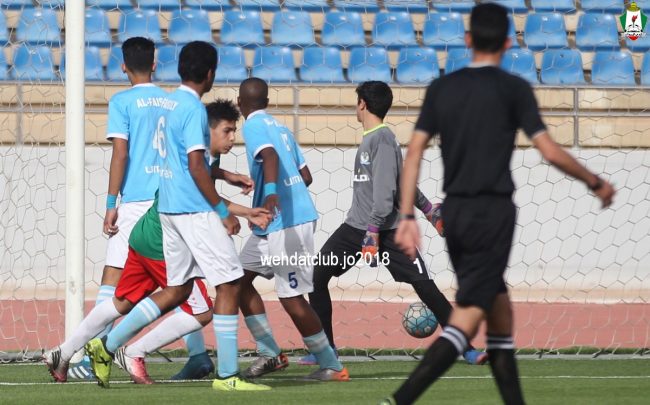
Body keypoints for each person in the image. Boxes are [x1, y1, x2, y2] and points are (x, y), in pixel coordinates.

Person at [381, 4, 615, 405]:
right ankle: (399, 400)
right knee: (468, 318)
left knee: (500, 314)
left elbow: (414, 151)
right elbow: (548, 150)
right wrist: (594, 181)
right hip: (493, 215)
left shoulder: (442, 88)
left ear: (468, 40)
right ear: (508, 43)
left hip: (455, 215)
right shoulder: (514, 88)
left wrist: (406, 215)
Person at [86, 42, 271, 392]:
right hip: (191, 210)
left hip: (167, 209)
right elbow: (196, 165)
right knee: (230, 284)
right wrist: (222, 211)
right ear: (210, 74)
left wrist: (225, 177)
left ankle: (106, 345)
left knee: (177, 290)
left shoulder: (170, 105)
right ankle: (228, 376)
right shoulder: (194, 110)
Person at [42, 37, 209, 381]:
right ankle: (191, 354)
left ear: (122, 66)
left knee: (118, 284)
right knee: (181, 286)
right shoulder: (172, 100)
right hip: (167, 202)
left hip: (134, 203)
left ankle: (86, 354)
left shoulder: (121, 101)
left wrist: (110, 203)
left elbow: (121, 152)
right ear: (155, 64)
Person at [302, 81, 486, 367]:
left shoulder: (382, 139)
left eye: (356, 102)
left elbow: (388, 191)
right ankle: (326, 351)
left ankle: (467, 348)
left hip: (385, 231)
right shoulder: (375, 139)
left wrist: (373, 231)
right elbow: (401, 180)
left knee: (425, 288)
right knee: (316, 277)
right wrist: (428, 209)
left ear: (362, 104)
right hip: (356, 228)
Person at [235, 78, 349, 381]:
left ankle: (332, 365)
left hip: (289, 224)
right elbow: (306, 176)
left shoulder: (253, 126)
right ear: (267, 102)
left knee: (291, 298)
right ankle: (270, 354)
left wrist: (272, 194)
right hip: (274, 223)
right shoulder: (282, 129)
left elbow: (269, 156)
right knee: (237, 282)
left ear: (239, 103)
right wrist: (271, 198)